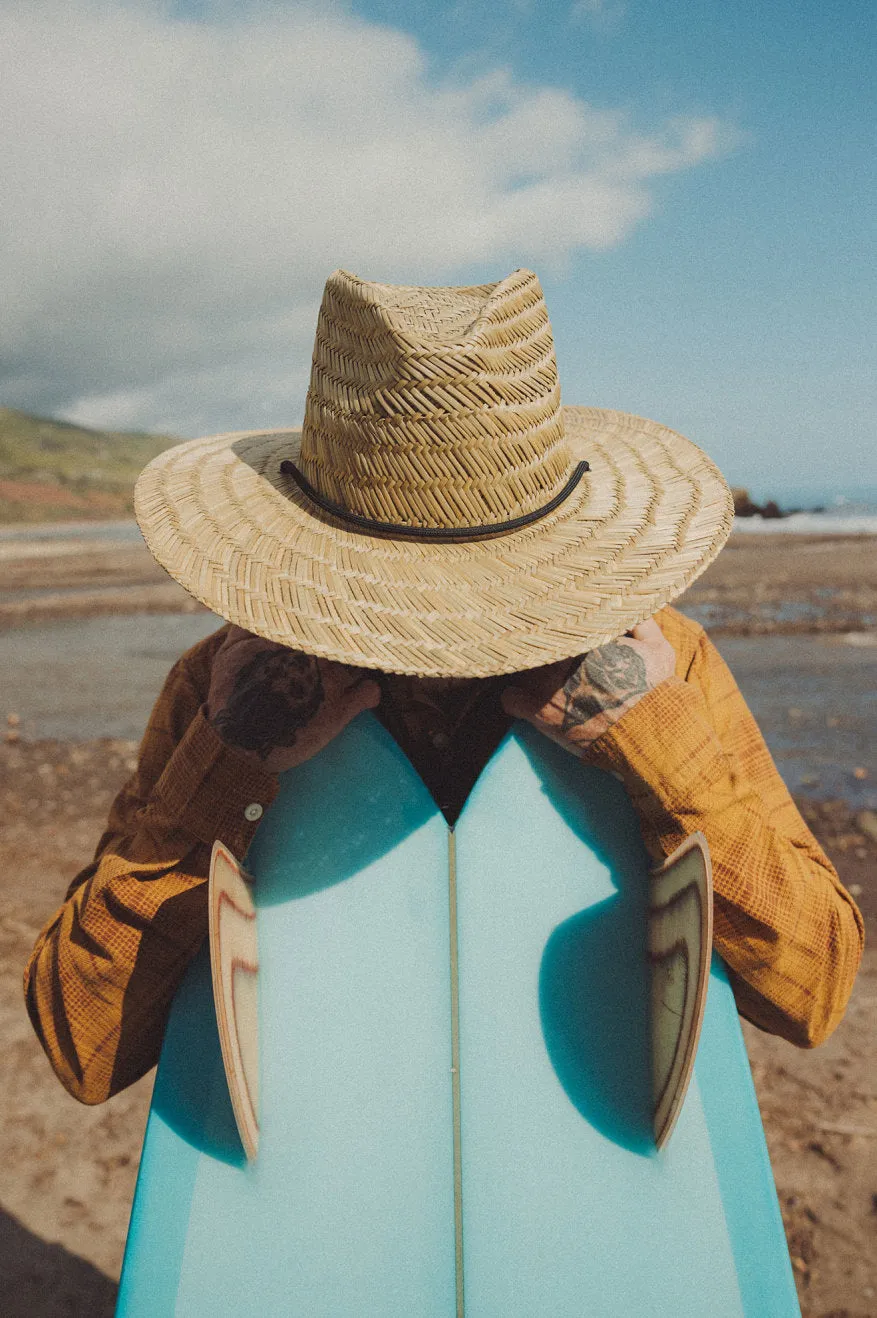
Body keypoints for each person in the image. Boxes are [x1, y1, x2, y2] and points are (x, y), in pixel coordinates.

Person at [24, 267, 863, 1106]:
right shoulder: (236, 689)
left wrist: (657, 746)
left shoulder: (658, 665)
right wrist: (225, 763)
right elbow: (82, 1045)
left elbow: (813, 989)